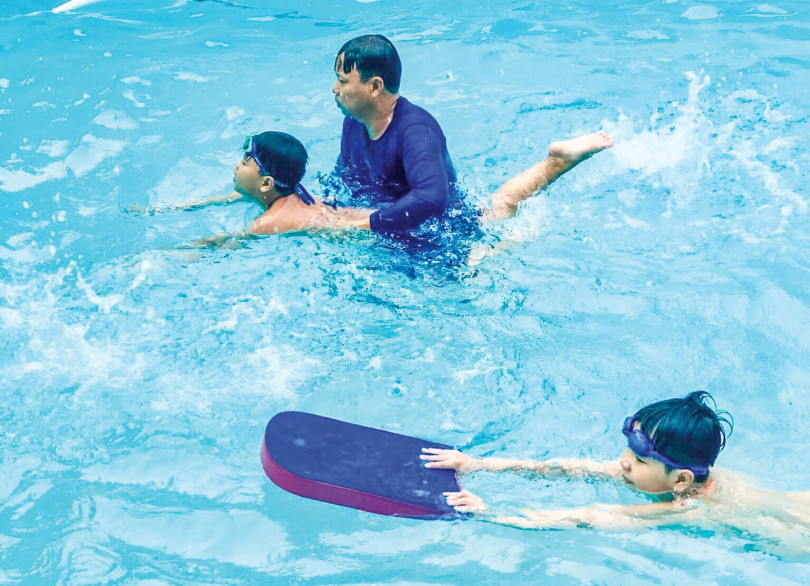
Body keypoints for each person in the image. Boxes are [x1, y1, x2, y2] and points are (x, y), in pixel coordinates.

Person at [421, 392, 810, 556]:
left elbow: (594, 517)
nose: (623, 462)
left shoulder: (689, 508)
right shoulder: (666, 473)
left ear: (680, 481)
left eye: (639, 460)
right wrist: (477, 464)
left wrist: (493, 513)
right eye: (628, 449)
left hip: (794, 538)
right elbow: (568, 468)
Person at [132, 128, 612, 246]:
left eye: (244, 158)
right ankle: (555, 161)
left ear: (265, 182)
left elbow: (225, 243)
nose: (235, 164)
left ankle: (554, 165)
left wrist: (181, 251)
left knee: (497, 222)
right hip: (383, 217)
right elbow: (232, 195)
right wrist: (171, 209)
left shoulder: (270, 221)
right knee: (496, 205)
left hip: (401, 236)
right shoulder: (289, 194)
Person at [329, 34, 613, 232]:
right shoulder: (354, 121)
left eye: (343, 81)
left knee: (498, 229)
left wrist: (365, 222)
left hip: (452, 230)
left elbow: (432, 198)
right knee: (495, 209)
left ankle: (557, 162)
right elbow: (346, 174)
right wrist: (328, 207)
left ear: (375, 87)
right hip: (405, 220)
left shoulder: (415, 130)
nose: (335, 88)